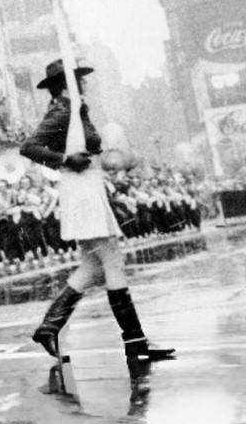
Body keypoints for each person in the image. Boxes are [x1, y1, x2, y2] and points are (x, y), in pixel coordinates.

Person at [21, 58, 175, 393]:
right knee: (112, 261)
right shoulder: (63, 110)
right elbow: (29, 147)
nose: (85, 83)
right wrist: (65, 160)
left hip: (87, 187)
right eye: (79, 79)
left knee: (92, 267)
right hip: (81, 190)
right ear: (68, 84)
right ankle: (135, 342)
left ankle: (50, 326)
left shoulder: (74, 109)